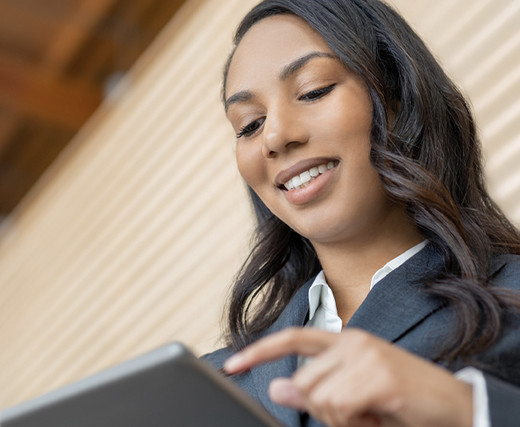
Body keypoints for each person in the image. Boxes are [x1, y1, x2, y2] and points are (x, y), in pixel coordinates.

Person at [202, 0, 520, 426]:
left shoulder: (512, 297)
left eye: (313, 91)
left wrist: (467, 409)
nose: (274, 136)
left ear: (398, 98)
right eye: (249, 124)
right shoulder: (213, 384)